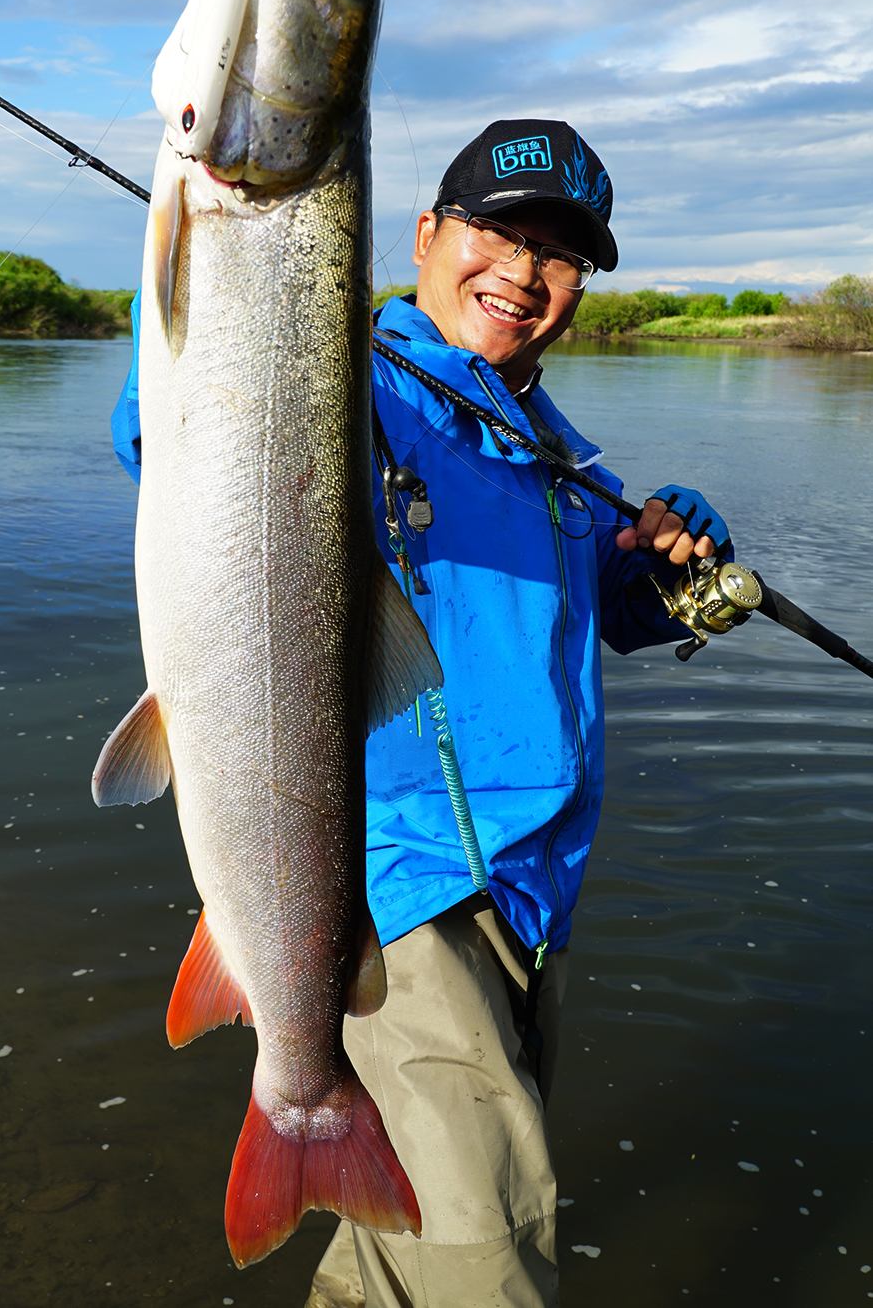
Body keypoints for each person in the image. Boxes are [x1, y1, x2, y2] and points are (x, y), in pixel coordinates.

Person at [111, 118, 729, 1308]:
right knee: (486, 1264)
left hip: (533, 889)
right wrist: (250, 286)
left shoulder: (547, 452)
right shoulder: (350, 389)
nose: (526, 271)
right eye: (500, 230)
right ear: (427, 234)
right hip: (399, 887)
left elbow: (606, 617)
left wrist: (665, 570)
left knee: (398, 1253)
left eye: (564, 252)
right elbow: (178, 430)